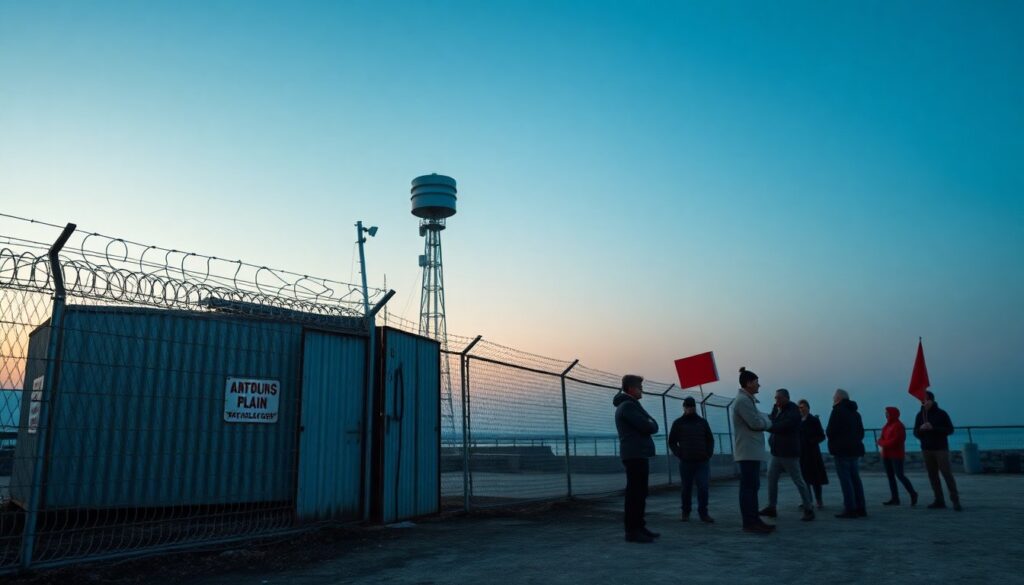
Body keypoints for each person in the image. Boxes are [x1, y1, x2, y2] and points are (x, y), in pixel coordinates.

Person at [613, 374, 660, 542]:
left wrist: (650, 423)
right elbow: (649, 426)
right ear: (631, 389)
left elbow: (651, 424)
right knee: (635, 493)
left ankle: (639, 526)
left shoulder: (631, 405)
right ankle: (632, 531)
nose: (642, 390)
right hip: (634, 454)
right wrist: (650, 422)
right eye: (640, 387)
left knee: (640, 492)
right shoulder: (628, 406)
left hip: (637, 454)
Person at [732, 367, 775, 534]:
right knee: (749, 488)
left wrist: (766, 417)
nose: (759, 385)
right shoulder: (743, 401)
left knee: (752, 487)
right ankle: (750, 522)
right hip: (748, 451)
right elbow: (755, 423)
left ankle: (754, 520)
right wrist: (770, 423)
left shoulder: (747, 400)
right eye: (757, 382)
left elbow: (759, 416)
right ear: (749, 383)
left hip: (750, 451)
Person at [760, 389, 815, 521]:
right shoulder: (777, 408)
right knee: (771, 478)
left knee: (798, 480)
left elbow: (782, 426)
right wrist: (771, 422)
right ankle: (771, 507)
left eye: (778, 398)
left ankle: (808, 508)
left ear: (786, 398)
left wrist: (767, 426)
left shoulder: (793, 411)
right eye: (775, 398)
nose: (776, 401)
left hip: (789, 453)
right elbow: (773, 420)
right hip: (776, 452)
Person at [668, 396, 715, 523]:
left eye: (692, 406)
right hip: (686, 462)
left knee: (703, 487)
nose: (690, 409)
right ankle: (685, 512)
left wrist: (708, 453)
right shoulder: (678, 423)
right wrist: (680, 454)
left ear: (695, 407)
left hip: (702, 461)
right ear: (684, 407)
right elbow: (672, 441)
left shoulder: (702, 422)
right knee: (686, 488)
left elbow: (710, 439)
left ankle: (703, 513)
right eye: (688, 406)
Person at [913, 391, 961, 511]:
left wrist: (933, 428)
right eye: (923, 400)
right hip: (926, 449)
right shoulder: (920, 415)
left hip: (941, 449)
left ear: (932, 400)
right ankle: (939, 500)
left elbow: (950, 430)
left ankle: (955, 500)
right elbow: (915, 433)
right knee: (932, 476)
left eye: (927, 400)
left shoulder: (941, 413)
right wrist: (921, 429)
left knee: (947, 474)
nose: (925, 402)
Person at [826, 388, 866, 519]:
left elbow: (830, 431)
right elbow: (861, 432)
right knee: (855, 479)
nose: (833, 399)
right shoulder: (856, 413)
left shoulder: (837, 411)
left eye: (834, 396)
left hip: (841, 451)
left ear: (839, 398)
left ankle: (850, 508)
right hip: (855, 450)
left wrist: (835, 443)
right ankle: (861, 507)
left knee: (846, 480)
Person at [877, 406, 918, 506]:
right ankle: (895, 498)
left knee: (900, 475)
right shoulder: (886, 426)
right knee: (890, 476)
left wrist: (883, 443)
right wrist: (882, 442)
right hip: (886, 454)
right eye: (886, 413)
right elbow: (881, 438)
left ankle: (913, 493)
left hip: (896, 455)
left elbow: (897, 440)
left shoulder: (898, 426)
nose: (886, 414)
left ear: (893, 414)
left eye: (887, 413)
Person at [797, 399, 828, 508]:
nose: (801, 409)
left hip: (813, 454)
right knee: (804, 478)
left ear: (807, 408)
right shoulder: (797, 421)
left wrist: (811, 441)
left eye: (802, 407)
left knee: (816, 479)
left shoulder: (814, 420)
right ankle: (807, 500)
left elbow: (821, 436)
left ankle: (819, 500)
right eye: (799, 408)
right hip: (801, 454)